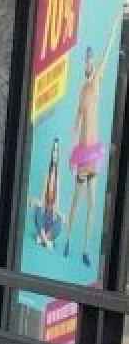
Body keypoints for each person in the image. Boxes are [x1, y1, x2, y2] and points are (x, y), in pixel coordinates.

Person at [64, 42, 114, 267]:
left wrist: (114, 26)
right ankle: (66, 240)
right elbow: (75, 123)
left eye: (91, 62)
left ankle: (84, 249)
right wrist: (70, 153)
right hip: (83, 155)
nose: (90, 66)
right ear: (85, 67)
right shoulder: (82, 92)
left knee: (92, 204)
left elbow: (106, 53)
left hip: (93, 154)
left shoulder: (96, 84)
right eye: (87, 62)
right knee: (76, 202)